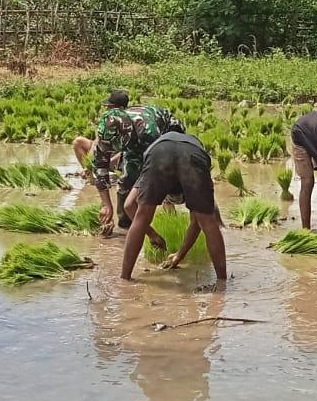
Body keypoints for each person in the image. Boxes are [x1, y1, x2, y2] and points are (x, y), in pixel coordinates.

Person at [120, 127, 226, 284]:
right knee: (208, 222)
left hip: (159, 153)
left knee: (142, 215)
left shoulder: (160, 145)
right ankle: (222, 282)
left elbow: (129, 205)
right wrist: (179, 254)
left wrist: (153, 235)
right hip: (192, 154)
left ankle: (124, 279)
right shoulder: (193, 143)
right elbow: (198, 223)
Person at [73, 90, 183, 234]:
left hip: (168, 131)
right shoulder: (106, 130)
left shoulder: (148, 133)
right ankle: (126, 227)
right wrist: (107, 205)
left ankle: (170, 222)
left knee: (166, 185)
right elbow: (101, 169)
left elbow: (152, 169)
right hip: (135, 141)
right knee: (125, 183)